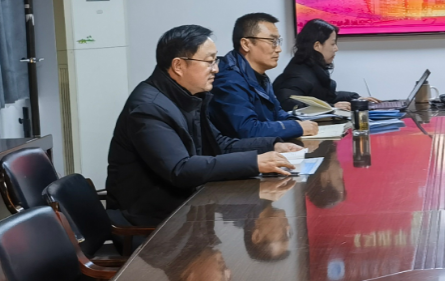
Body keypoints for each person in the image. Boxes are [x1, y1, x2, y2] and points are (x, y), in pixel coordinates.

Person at [107, 25, 302, 226]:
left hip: (190, 208)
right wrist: (255, 162)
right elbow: (180, 169)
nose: (216, 69)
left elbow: (219, 144)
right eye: (210, 61)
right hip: (152, 220)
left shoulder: (189, 96)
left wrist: (272, 146)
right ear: (178, 66)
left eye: (216, 61)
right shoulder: (149, 108)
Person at [209, 13, 319, 140]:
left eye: (278, 41)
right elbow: (248, 130)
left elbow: (277, 113)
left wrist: (297, 122)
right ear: (246, 44)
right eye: (272, 41)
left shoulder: (259, 75)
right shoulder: (229, 80)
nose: (278, 49)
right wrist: (297, 127)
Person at [272, 19, 375, 111]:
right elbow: (289, 104)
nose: (336, 49)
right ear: (317, 46)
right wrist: (331, 107)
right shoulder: (298, 76)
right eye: (332, 44)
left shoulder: (313, 68)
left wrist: (356, 98)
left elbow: (329, 96)